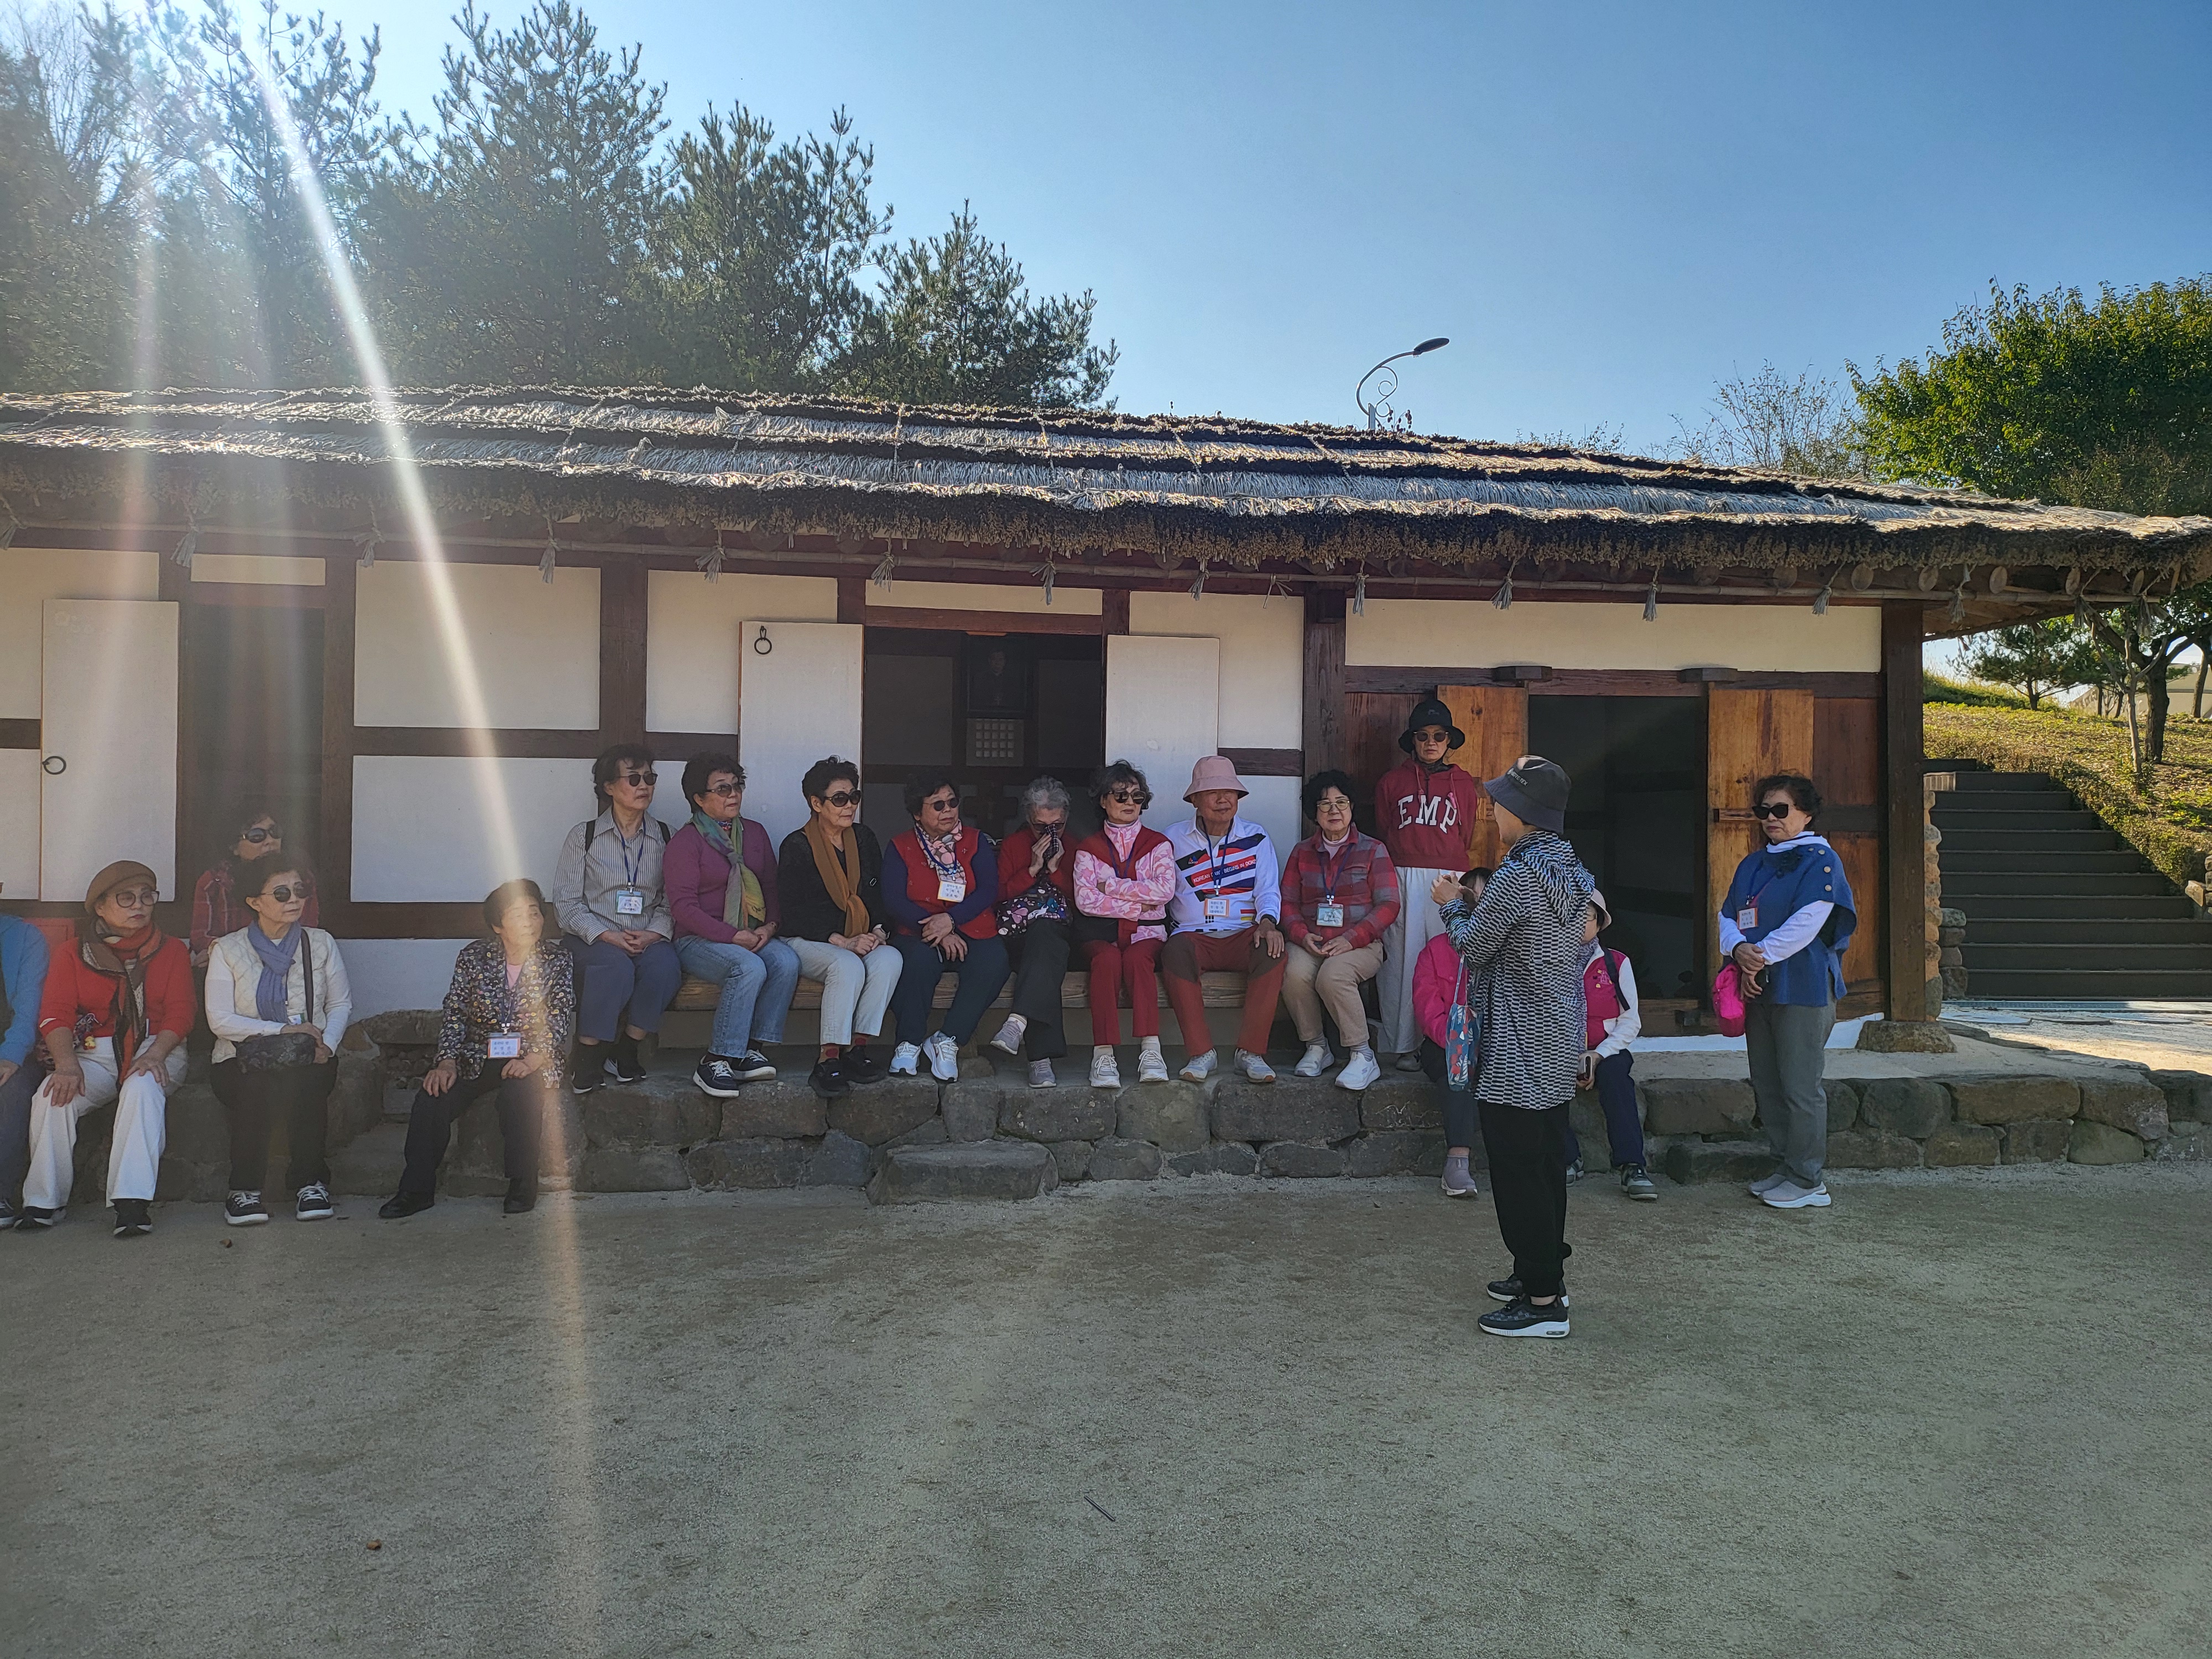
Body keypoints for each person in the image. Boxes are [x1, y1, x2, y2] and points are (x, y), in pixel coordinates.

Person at [1432, 757, 1594, 1338]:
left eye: (1499, 803)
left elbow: (1474, 947)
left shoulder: (1518, 875)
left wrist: (1452, 902)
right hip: (1555, 1032)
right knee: (1545, 1164)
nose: (1492, 811)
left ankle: (1543, 1302)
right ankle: (1540, 1274)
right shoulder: (1571, 869)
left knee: (1518, 1171)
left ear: (1521, 813)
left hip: (1516, 1041)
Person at [17, 862, 192, 1237]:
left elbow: (182, 1013)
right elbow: (56, 1013)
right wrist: (66, 1064)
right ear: (100, 906)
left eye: (147, 896)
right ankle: (44, 1200)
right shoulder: (72, 953)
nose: (139, 905)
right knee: (51, 1096)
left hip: (156, 1045)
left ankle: (131, 1202)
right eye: (126, 898)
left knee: (142, 1088)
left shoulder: (172, 950)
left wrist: (155, 1055)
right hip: (93, 1051)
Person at [381, 879, 575, 1218]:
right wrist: (446, 1061)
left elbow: (559, 1016)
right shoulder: (473, 957)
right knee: (433, 1097)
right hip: (477, 1053)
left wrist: (532, 1059)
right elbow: (455, 1012)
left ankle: (522, 1183)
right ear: (498, 925)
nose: (530, 922)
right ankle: (416, 1189)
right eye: (518, 915)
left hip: (532, 1054)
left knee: (520, 1095)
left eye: (535, 913)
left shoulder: (557, 960)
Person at [1723, 772, 1858, 1212]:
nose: (1770, 818)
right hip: (1759, 984)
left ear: (1807, 814)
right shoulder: (1753, 863)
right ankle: (1784, 1165)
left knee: (1800, 1085)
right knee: (1768, 1082)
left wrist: (1755, 957)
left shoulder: (1820, 861)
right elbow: (1727, 915)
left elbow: (1808, 922)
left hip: (1802, 984)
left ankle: (1808, 1178)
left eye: (1781, 809)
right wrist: (1738, 949)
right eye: (1763, 810)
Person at [203, 857, 352, 1224]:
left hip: (310, 1054)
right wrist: (282, 1032)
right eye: (282, 893)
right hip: (240, 1058)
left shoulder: (320, 943)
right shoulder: (228, 949)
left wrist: (327, 1045)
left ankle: (310, 1183)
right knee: (256, 1087)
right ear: (255, 901)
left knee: (308, 1082)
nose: (294, 899)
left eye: (300, 890)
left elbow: (339, 1004)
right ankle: (243, 1191)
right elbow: (219, 1019)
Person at [666, 753, 801, 1098]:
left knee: (786, 961)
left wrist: (770, 927)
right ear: (699, 798)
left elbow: (771, 886)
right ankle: (716, 1059)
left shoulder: (755, 833)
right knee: (748, 967)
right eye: (723, 789)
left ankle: (749, 1051)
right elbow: (683, 908)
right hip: (698, 939)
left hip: (752, 932)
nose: (734, 795)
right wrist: (732, 936)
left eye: (737, 786)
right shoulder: (686, 842)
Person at [554, 744, 682, 1095]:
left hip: (647, 935)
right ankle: (588, 1053)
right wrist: (606, 935)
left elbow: (672, 901)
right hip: (592, 938)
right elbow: (566, 904)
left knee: (665, 968)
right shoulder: (584, 836)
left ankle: (627, 1047)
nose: (645, 786)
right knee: (614, 968)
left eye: (650, 778)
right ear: (609, 787)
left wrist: (653, 934)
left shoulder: (667, 837)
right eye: (634, 779)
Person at [776, 757, 902, 1099]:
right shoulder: (797, 845)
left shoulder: (864, 838)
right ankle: (828, 1059)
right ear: (816, 804)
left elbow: (879, 894)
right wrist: (844, 943)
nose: (850, 806)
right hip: (807, 939)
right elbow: (794, 913)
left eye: (854, 797)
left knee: (890, 959)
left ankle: (857, 1050)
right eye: (840, 799)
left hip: (859, 936)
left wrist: (879, 932)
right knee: (847, 965)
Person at [1161, 755, 1288, 1083]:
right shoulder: (1172, 839)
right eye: (1212, 792)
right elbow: (1160, 891)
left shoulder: (1256, 837)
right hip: (1192, 935)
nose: (1223, 800)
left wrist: (1268, 923)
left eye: (1229, 792)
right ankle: (1201, 1053)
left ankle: (1251, 1053)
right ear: (1195, 800)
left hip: (1244, 932)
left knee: (1273, 951)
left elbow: (1268, 890)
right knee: (1174, 952)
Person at [1375, 699, 1481, 1071]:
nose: (1431, 743)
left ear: (1449, 740)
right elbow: (1385, 828)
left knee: (1448, 957)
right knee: (1401, 961)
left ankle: (1448, 1041)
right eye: (1423, 736)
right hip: (1403, 874)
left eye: (1439, 736)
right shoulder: (1392, 782)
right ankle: (1404, 1044)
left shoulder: (1464, 784)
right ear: (1413, 741)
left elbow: (1466, 834)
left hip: (1448, 876)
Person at [884, 773, 1011, 1082]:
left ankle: (948, 1039)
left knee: (994, 963)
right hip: (919, 927)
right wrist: (937, 930)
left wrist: (951, 921)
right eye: (938, 805)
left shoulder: (976, 840)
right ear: (918, 813)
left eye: (953, 803)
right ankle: (909, 1042)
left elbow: (988, 890)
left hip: (970, 923)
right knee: (918, 962)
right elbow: (893, 899)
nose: (948, 811)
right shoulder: (900, 846)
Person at [1280, 769, 1399, 1090]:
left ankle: (1363, 1055)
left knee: (1333, 975)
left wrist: (1352, 938)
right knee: (1291, 969)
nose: (1334, 810)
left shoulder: (1374, 849)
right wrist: (1301, 935)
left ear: (1351, 807)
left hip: (1360, 944)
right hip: (1312, 941)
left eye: (1341, 802)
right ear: (1315, 812)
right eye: (1325, 804)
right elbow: (1287, 903)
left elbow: (1389, 904)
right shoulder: (1302, 852)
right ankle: (1317, 1047)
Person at [1072, 760, 1176, 1088]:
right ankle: (1103, 1054)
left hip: (1148, 935)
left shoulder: (1158, 844)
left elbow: (1165, 891)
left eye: (1137, 796)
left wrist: (1112, 887)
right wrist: (1138, 906)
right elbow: (1085, 901)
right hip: (1100, 935)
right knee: (1106, 960)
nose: (1130, 802)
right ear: (1103, 801)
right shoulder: (1088, 849)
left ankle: (1151, 1050)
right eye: (1120, 795)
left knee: (1137, 960)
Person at [1562, 891, 1657, 1201]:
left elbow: (1630, 1021)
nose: (1578, 923)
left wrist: (1597, 1055)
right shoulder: (1549, 961)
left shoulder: (1616, 963)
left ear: (1600, 922)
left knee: (1617, 1079)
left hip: (1606, 1050)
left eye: (1586, 916)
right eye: (1571, 915)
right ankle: (1566, 1157)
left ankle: (1632, 1166)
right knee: (1544, 1078)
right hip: (1560, 1048)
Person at [989, 778, 1078, 1087]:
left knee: (1046, 941)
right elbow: (997, 895)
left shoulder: (1075, 846)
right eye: (1042, 827)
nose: (1050, 833)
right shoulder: (1014, 845)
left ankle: (1017, 1024)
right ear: (1029, 819)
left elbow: (1084, 899)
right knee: (1042, 959)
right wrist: (1031, 868)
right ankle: (1040, 1061)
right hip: (1016, 935)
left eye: (1058, 826)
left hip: (1062, 935)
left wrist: (1055, 870)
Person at [1411, 865, 1488, 1198]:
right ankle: (1458, 1162)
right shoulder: (1435, 950)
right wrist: (1461, 1041)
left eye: (1487, 898)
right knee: (1457, 1065)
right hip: (1444, 1043)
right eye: (1471, 898)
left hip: (1492, 1044)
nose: (1478, 905)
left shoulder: (1502, 950)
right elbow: (1427, 1011)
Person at [189, 804, 317, 967]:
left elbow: (308, 934)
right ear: (234, 847)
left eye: (274, 832)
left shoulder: (302, 878)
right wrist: (251, 954)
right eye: (257, 836)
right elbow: (201, 938)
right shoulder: (213, 882)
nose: (270, 841)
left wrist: (235, 950)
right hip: (232, 968)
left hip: (290, 964)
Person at [0, 904, 54, 1228]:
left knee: (12, 1090)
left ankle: (2, 1192)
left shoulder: (24, 938)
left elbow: (28, 1010)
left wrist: (10, 1056)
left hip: (15, 1049)